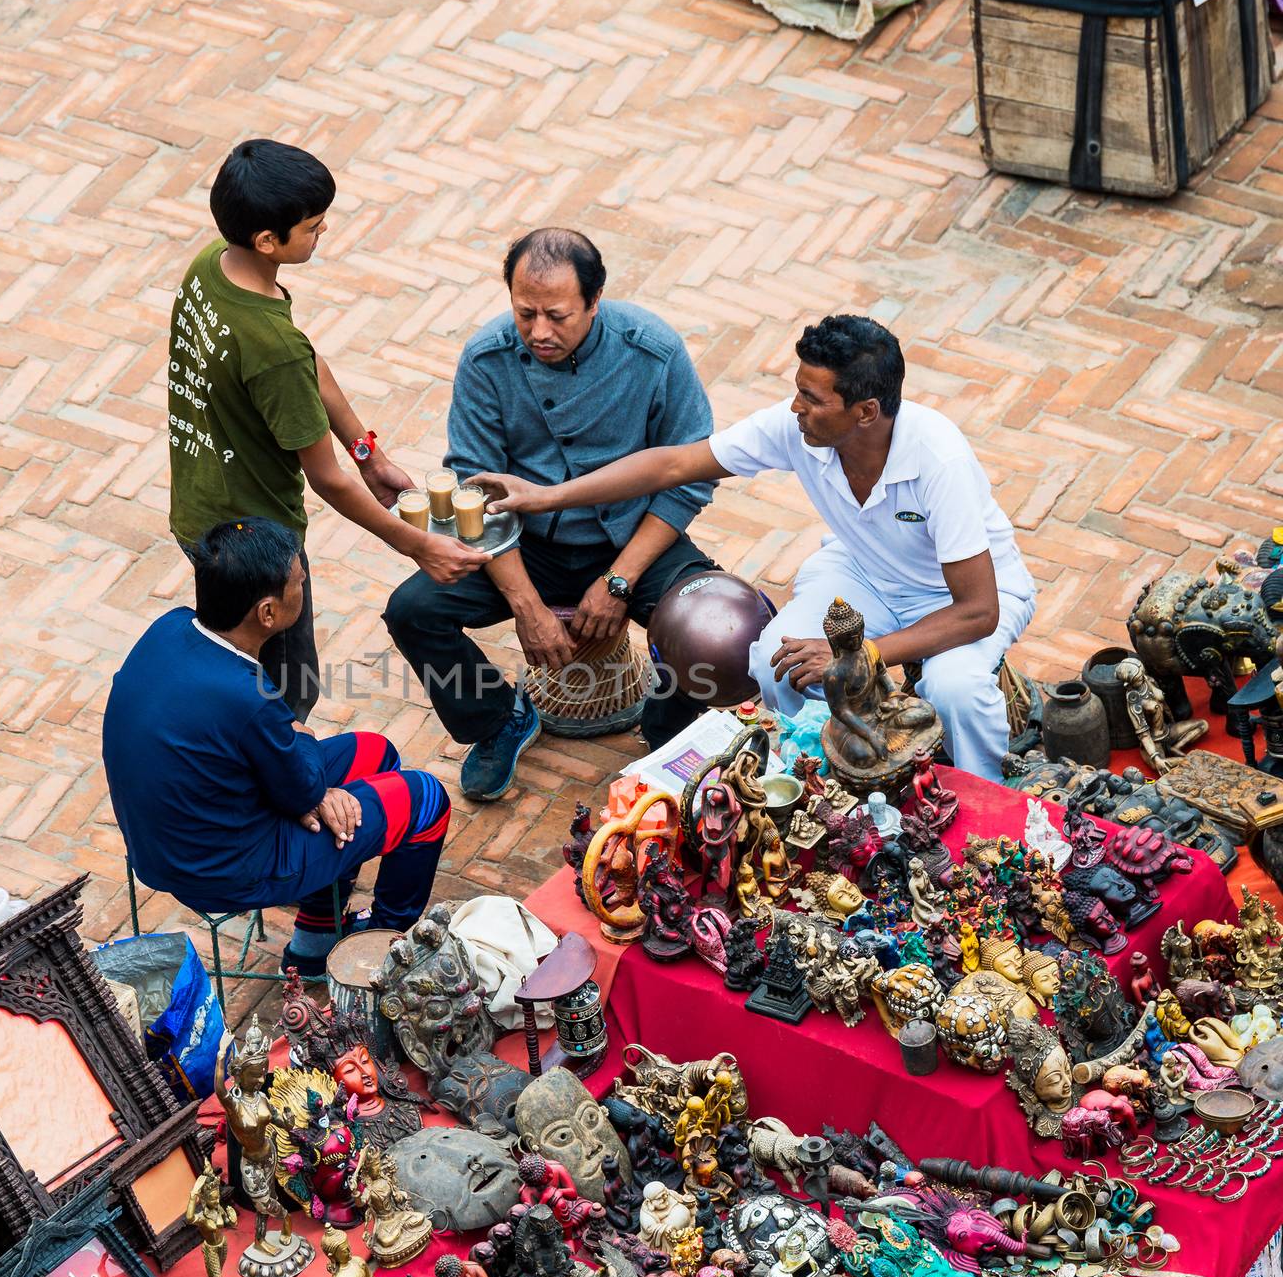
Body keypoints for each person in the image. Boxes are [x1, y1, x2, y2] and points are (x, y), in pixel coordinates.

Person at [475, 315, 1036, 781]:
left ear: (865, 411)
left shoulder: (940, 461)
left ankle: (983, 800)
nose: (795, 407)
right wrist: (549, 497)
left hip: (962, 597)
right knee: (776, 661)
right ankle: (830, 777)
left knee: (954, 688)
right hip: (866, 572)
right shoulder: (800, 429)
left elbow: (977, 611)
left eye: (812, 398)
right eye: (797, 390)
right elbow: (674, 463)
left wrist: (860, 656)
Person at [383, 228, 719, 800]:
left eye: (558, 315)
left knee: (712, 628)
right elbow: (477, 496)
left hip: (630, 537)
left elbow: (691, 476)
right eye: (525, 313)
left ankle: (667, 736)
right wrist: (526, 606)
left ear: (595, 299)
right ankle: (497, 721)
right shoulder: (487, 359)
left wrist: (620, 580)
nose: (540, 332)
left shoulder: (652, 352)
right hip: (521, 544)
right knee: (413, 610)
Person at [169, 138, 483, 721]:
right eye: (313, 227)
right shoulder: (272, 346)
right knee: (287, 692)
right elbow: (328, 482)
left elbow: (304, 361)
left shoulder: (214, 266)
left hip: (199, 513)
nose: (323, 234)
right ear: (268, 240)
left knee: (238, 669)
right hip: (258, 546)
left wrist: (368, 451)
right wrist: (417, 546)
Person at [102, 518, 452, 977]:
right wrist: (307, 775)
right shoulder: (246, 697)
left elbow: (295, 781)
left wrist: (308, 791)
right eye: (298, 582)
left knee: (375, 754)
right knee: (426, 800)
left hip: (170, 842)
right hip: (227, 869)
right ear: (267, 613)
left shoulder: (170, 628)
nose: (303, 586)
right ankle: (382, 951)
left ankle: (314, 939)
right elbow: (300, 782)